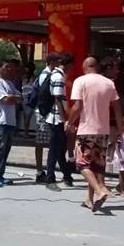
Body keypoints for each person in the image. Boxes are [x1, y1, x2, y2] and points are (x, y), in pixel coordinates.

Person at [66, 57, 122, 213]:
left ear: (84, 66)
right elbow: (117, 107)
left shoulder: (80, 81)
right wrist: (120, 128)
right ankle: (89, 199)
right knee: (95, 165)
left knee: (82, 164)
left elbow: (77, 106)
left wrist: (69, 122)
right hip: (103, 131)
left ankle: (99, 190)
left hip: (86, 129)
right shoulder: (109, 83)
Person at [40, 53, 74, 190]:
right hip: (56, 118)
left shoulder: (55, 75)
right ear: (68, 65)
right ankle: (50, 179)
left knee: (60, 148)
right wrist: (64, 120)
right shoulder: (58, 77)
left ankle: (67, 175)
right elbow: (58, 99)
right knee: (55, 149)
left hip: (55, 117)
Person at [0, 60, 22, 187]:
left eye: (10, 67)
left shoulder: (9, 83)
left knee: (5, 150)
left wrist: (14, 98)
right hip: (0, 120)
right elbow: (5, 100)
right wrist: (14, 98)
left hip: (10, 120)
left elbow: (20, 97)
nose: (9, 69)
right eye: (6, 67)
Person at [21, 65, 35, 138]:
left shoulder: (24, 77)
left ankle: (25, 131)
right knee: (28, 116)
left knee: (25, 116)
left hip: (24, 97)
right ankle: (26, 132)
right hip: (29, 98)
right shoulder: (33, 78)